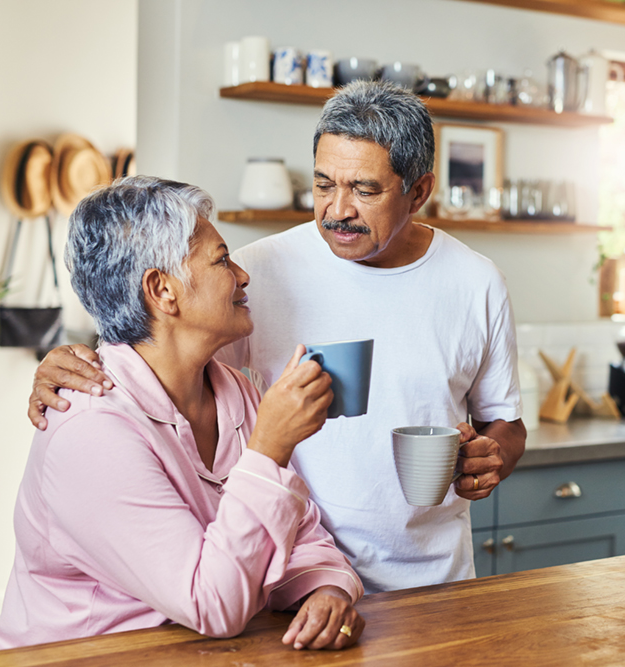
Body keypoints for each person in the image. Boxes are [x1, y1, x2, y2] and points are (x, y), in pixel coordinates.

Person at [28, 81, 526, 594]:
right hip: (291, 581)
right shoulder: (259, 272)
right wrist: (69, 366)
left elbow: (504, 422)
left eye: (365, 189)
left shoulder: (475, 281)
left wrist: (492, 454)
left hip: (435, 579)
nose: (338, 210)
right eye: (324, 184)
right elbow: (156, 355)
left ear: (418, 191)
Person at [0, 177, 364, 650]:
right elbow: (213, 605)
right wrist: (269, 448)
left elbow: (302, 536)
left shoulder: (235, 392)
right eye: (221, 259)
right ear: (162, 289)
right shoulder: (90, 431)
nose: (242, 276)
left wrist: (325, 588)